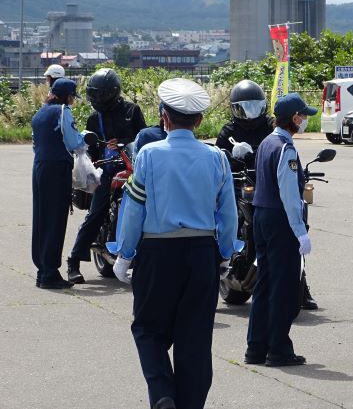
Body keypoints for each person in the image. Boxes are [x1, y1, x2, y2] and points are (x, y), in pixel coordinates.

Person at [108, 78, 240, 409]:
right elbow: (229, 215)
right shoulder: (216, 157)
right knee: (194, 340)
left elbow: (134, 210)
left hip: (157, 252)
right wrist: (224, 254)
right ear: (198, 120)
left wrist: (125, 254)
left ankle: (163, 392)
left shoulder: (149, 154)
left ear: (164, 116)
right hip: (201, 253)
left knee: (148, 329)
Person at [215, 79, 319, 310]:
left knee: (284, 250)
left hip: (264, 187)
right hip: (239, 184)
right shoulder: (229, 130)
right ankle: (217, 267)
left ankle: (302, 287)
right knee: (222, 217)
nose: (251, 113)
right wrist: (232, 158)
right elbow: (219, 159)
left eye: (255, 106)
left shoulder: (269, 129)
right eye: (245, 107)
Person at [244, 93, 316, 367]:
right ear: (295, 118)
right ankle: (279, 349)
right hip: (279, 219)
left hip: (261, 216)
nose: (305, 120)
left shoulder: (266, 142)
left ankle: (256, 347)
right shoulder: (285, 148)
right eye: (303, 116)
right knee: (284, 287)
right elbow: (288, 193)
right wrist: (300, 231)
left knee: (264, 284)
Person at [66, 68, 146, 284]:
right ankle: (73, 261)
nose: (99, 99)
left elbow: (144, 139)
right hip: (107, 171)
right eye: (96, 94)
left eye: (103, 94)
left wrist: (124, 141)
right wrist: (92, 160)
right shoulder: (94, 118)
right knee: (97, 212)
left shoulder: (132, 111)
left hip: (133, 169)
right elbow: (90, 149)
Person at [31, 79, 87, 289]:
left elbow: (36, 143)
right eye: (73, 96)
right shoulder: (63, 111)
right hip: (56, 168)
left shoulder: (41, 112)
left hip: (40, 167)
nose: (73, 100)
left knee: (42, 219)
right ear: (66, 95)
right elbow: (73, 142)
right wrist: (85, 138)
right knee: (55, 220)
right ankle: (50, 274)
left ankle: (42, 270)